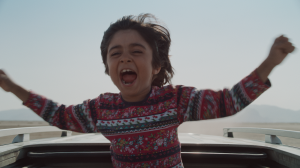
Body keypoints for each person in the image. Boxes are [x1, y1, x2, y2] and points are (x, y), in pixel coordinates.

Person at [0, 14, 295, 168]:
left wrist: (269, 64)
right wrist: (13, 87)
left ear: (156, 66)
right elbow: (59, 116)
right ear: (107, 67)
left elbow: (227, 102)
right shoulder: (101, 109)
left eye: (136, 51)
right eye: (115, 53)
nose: (125, 58)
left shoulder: (175, 100)